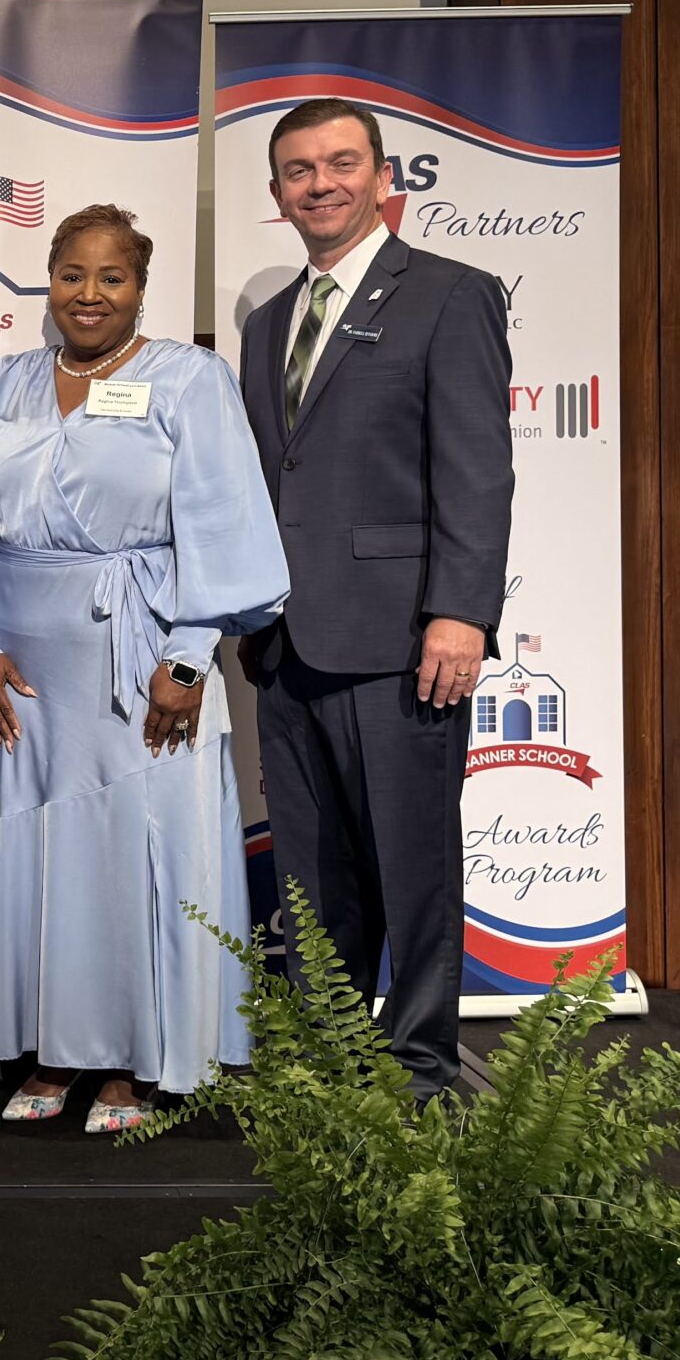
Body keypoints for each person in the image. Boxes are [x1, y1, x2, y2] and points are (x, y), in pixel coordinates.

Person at [0, 205, 288, 1132]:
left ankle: (137, 1063)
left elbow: (223, 522)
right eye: (71, 275)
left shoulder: (190, 379)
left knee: (141, 850)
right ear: (48, 281)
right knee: (48, 854)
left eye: (113, 278)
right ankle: (58, 1050)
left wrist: (188, 656)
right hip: (25, 668)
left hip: (142, 653)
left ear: (142, 286)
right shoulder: (1, 385)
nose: (89, 295)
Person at [236, 96, 512, 1103]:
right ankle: (333, 1071)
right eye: (299, 170)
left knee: (414, 873)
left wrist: (461, 610)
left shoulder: (448, 295)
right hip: (287, 647)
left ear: (381, 174)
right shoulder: (268, 327)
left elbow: (477, 471)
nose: (321, 183)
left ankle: (423, 1077)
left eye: (340, 162)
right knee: (315, 887)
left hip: (403, 642)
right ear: (277, 194)